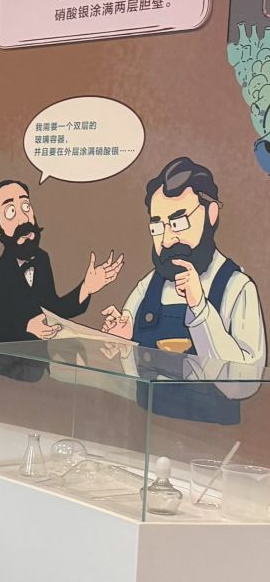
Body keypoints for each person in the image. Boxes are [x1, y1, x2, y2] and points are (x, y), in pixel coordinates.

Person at [99, 156, 264, 424]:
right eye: (157, 227)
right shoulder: (148, 285)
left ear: (211, 214)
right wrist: (122, 345)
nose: (166, 239)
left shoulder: (237, 286)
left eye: (178, 223)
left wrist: (201, 310)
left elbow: (245, 385)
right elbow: (130, 371)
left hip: (213, 435)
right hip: (148, 425)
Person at [0, 178, 123, 380]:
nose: (23, 218)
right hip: (9, 368)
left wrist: (86, 288)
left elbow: (54, 309)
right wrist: (27, 326)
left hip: (42, 368)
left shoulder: (41, 259)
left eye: (26, 206)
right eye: (11, 211)